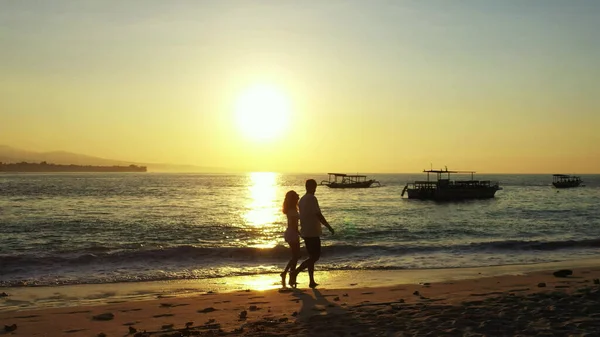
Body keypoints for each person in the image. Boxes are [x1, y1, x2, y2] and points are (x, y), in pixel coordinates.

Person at [288, 179, 334, 288]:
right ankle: (296, 272)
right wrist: (328, 226)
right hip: (313, 231)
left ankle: (311, 281)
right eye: (315, 187)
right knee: (315, 257)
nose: (315, 190)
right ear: (312, 187)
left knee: (311, 257)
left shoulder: (302, 200)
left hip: (305, 231)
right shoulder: (312, 199)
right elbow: (318, 214)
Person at [280, 190, 301, 287]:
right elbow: (294, 225)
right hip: (292, 233)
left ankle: (288, 274)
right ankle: (289, 274)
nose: (298, 198)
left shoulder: (292, 210)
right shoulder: (292, 211)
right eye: (296, 197)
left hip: (291, 233)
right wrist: (300, 233)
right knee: (296, 255)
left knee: (295, 255)